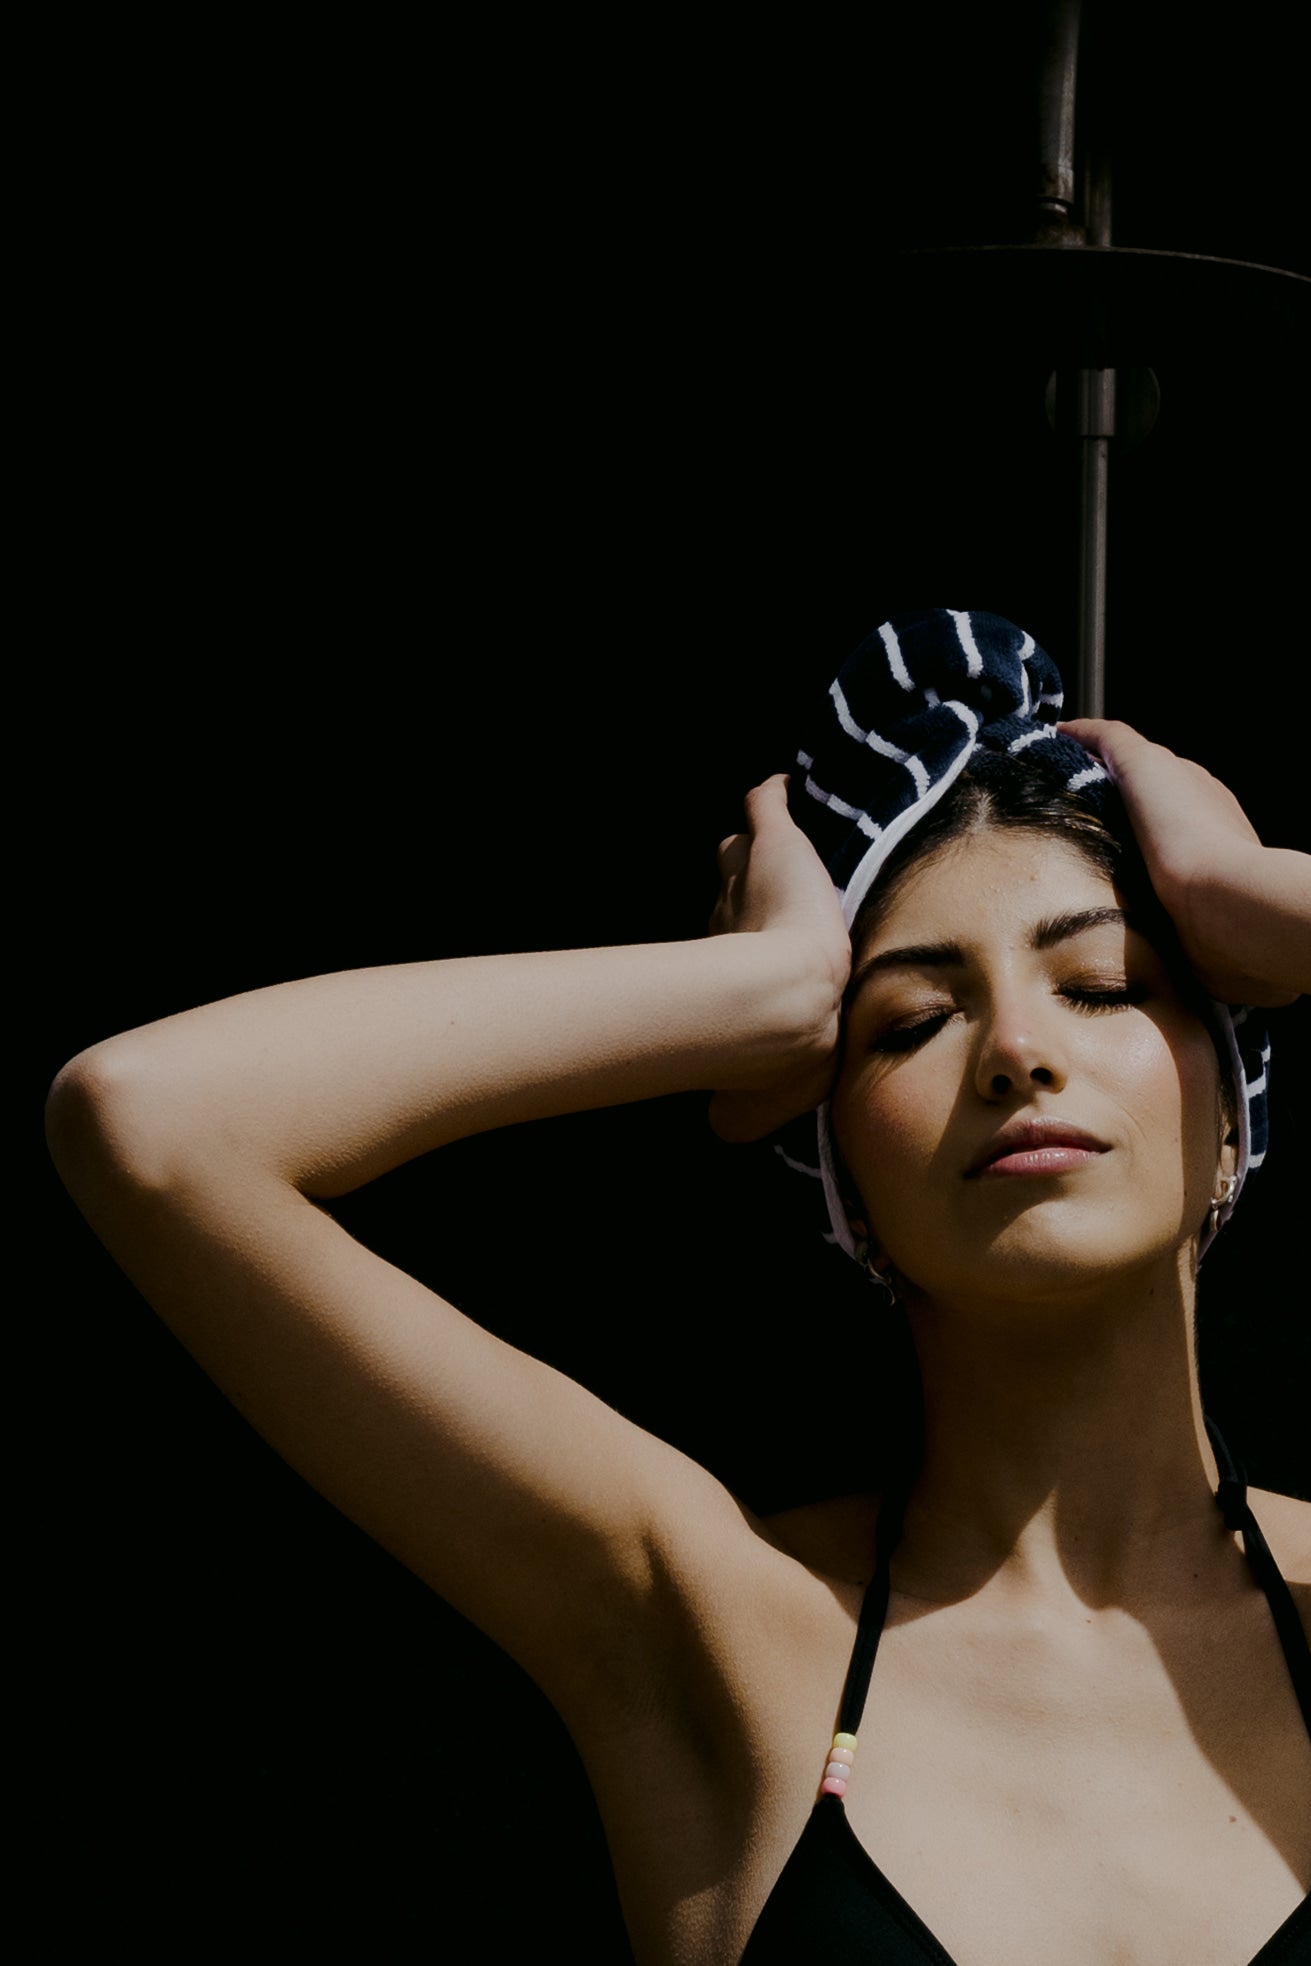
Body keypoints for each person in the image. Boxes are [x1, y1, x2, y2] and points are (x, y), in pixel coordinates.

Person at [48, 610, 1311, 1964]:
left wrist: (1250, 894)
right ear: (844, 1184)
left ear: (1233, 1117)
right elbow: (152, 1124)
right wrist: (760, 990)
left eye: (1104, 984)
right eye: (911, 1021)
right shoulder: (717, 1620)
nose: (1015, 1047)